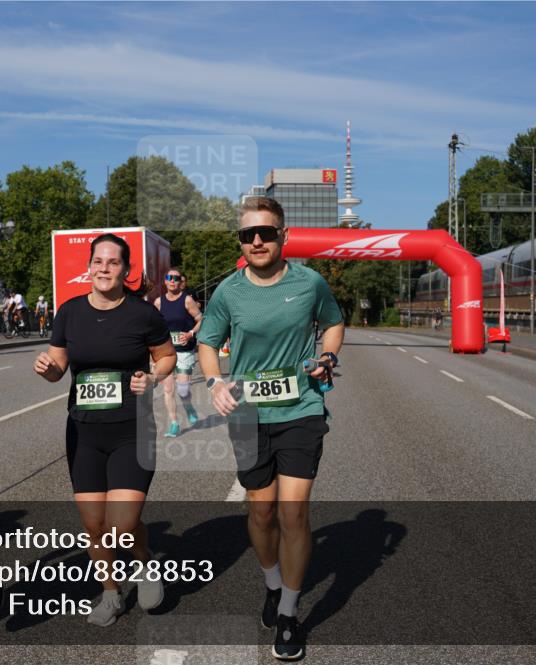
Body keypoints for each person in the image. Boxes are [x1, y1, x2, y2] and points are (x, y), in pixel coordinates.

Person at [197, 197, 344, 661]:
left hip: (301, 409)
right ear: (241, 242)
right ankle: (272, 582)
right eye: (247, 235)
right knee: (261, 514)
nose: (256, 240)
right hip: (247, 414)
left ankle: (288, 613)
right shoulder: (228, 291)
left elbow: (335, 322)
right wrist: (215, 381)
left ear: (284, 236)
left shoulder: (309, 282)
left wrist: (327, 357)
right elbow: (207, 342)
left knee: (293, 512)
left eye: (265, 232)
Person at [34, 233, 176, 626]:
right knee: (94, 525)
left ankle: (146, 565)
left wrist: (152, 376)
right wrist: (49, 370)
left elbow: (167, 357)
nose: (105, 268)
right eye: (98, 261)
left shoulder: (142, 314)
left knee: (123, 524)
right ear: (88, 266)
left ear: (126, 270)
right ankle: (111, 594)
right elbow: (59, 366)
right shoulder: (69, 312)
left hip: (132, 428)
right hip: (84, 432)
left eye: (114, 262)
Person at [153, 268, 203, 437]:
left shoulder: (187, 300)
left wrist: (190, 334)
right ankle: (174, 423)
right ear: (165, 281)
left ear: (180, 281)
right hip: (166, 351)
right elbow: (154, 326)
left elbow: (200, 319)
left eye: (175, 278)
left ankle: (189, 407)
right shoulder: (158, 302)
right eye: (169, 277)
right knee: (168, 389)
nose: (172, 280)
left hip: (184, 351)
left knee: (182, 390)